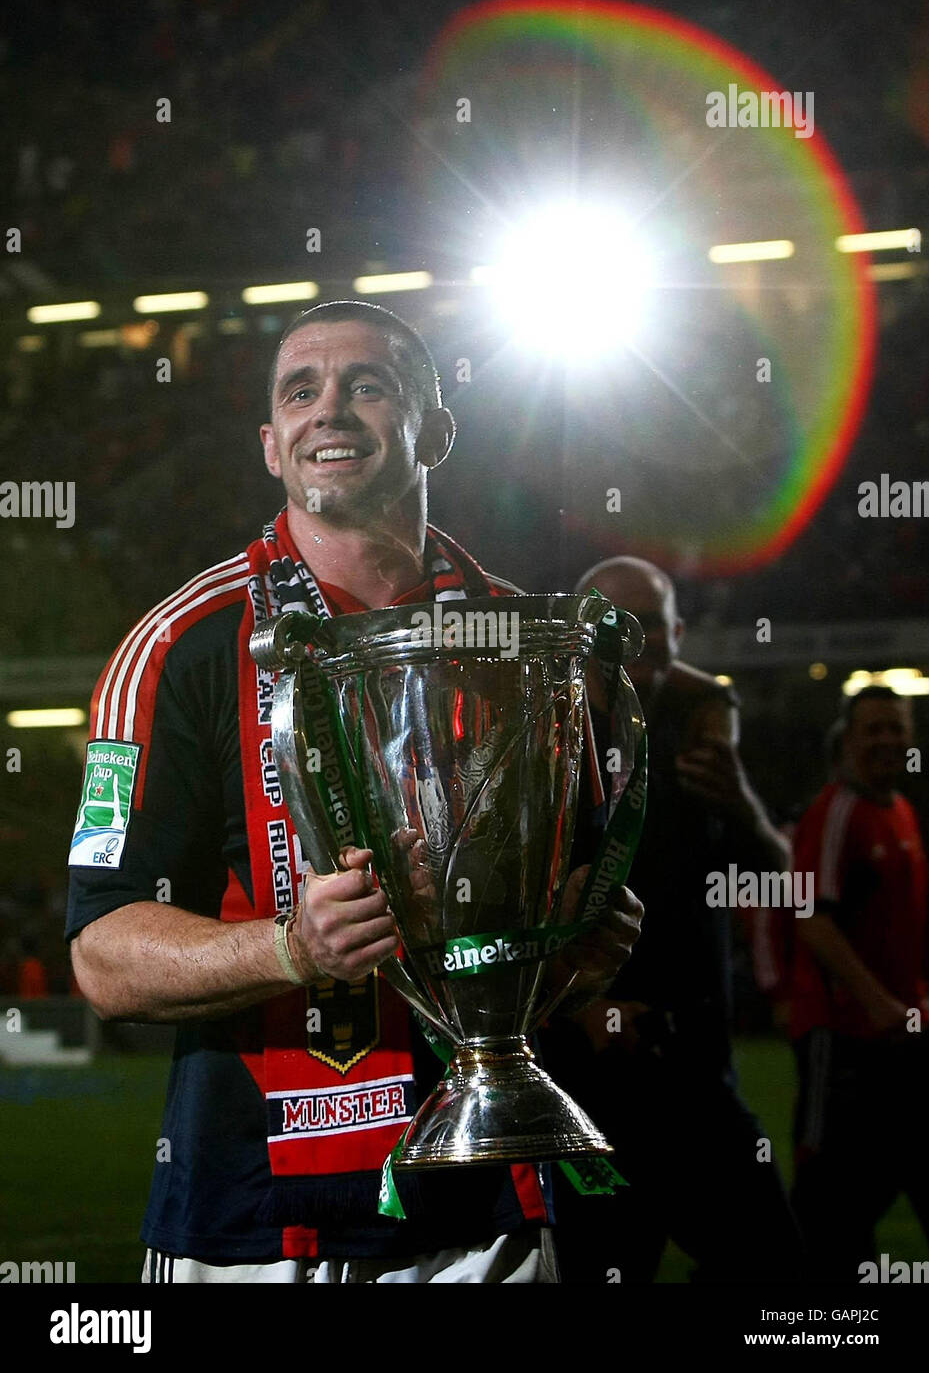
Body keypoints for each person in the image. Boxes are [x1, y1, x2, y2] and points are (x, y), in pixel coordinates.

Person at [65, 301, 642, 1285]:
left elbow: (580, 905)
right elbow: (103, 957)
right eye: (301, 391)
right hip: (253, 1219)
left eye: (365, 386)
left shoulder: (526, 640)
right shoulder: (177, 648)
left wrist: (587, 941)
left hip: (486, 1204)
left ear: (437, 428)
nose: (327, 410)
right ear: (269, 444)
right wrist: (293, 946)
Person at [543, 555, 803, 1283]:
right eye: (612, 625)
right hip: (588, 1085)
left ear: (678, 633)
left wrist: (743, 806)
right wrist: (582, 1008)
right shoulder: (548, 750)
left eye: (651, 627)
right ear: (577, 633)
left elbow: (787, 885)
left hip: (694, 1074)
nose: (632, 641)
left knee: (774, 1270)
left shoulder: (698, 747)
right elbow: (507, 918)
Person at [788, 685, 929, 1280]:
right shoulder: (837, 810)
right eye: (872, 729)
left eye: (895, 728)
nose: (886, 741)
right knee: (830, 1202)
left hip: (902, 1043)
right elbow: (810, 917)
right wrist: (879, 1005)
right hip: (843, 1042)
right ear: (847, 740)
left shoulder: (899, 809)